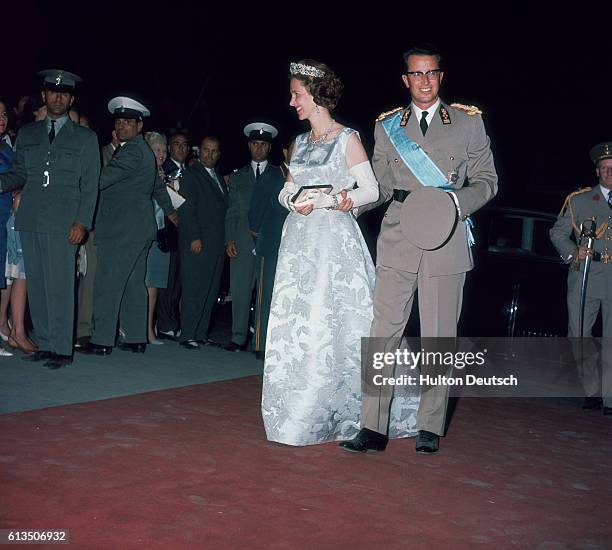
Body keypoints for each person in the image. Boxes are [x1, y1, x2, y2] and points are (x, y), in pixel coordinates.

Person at [340, 44, 498, 454]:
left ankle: (429, 426)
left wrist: (454, 205)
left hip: (446, 234)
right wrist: (351, 203)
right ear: (405, 79)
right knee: (382, 332)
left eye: (431, 73)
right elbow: (382, 186)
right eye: (416, 74)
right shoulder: (387, 125)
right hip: (399, 234)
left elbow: (487, 180)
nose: (424, 81)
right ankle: (372, 427)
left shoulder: (467, 123)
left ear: (441, 77)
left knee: (439, 335)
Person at [261, 60, 420, 446]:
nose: (292, 101)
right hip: (299, 242)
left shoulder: (347, 137)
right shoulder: (298, 143)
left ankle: (360, 410)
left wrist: (339, 199)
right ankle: (300, 410)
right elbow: (287, 189)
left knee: (342, 322)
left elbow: (370, 189)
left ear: (316, 95)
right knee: (301, 323)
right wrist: (291, 200)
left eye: (297, 94)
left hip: (334, 240)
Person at [0, 70, 100, 369]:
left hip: (63, 222)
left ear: (71, 99)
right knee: (39, 285)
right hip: (31, 218)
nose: (57, 97)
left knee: (60, 284)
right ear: (43, 96)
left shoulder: (85, 137)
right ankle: (45, 342)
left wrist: (82, 222)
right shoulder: (28, 134)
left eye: (64, 94)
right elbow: (19, 173)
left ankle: (61, 347)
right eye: (52, 92)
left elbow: (90, 184)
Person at [78, 97, 176, 356]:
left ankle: (101, 341)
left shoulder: (131, 150)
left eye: (128, 122)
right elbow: (156, 185)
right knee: (134, 285)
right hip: (138, 229)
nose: (121, 126)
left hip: (121, 230)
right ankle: (135, 338)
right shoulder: (141, 150)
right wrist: (171, 212)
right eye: (119, 121)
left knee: (107, 283)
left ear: (139, 125)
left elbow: (100, 180)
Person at [549, 142, 612, 418]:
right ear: (597, 171)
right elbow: (557, 233)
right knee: (579, 337)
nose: (610, 173)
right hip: (584, 275)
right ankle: (591, 391)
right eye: (605, 169)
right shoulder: (579, 200)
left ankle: (610, 398)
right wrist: (573, 251)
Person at [224, 122, 282, 353]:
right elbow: (232, 211)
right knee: (239, 291)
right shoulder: (238, 176)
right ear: (249, 146)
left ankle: (262, 341)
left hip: (268, 240)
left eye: (263, 145)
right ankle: (238, 337)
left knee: (265, 292)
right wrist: (229, 240)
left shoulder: (279, 175)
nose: (258, 149)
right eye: (255, 144)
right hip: (241, 240)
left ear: (269, 148)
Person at [177, 136, 227, 349]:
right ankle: (187, 333)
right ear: (199, 152)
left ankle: (200, 333)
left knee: (210, 290)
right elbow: (186, 210)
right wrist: (194, 237)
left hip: (216, 243)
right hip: (198, 241)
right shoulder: (191, 175)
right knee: (193, 288)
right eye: (206, 150)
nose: (210, 154)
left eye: (214, 151)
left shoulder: (217, 176)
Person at [244, 124, 288, 360]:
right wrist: (258, 237)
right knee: (265, 296)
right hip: (269, 246)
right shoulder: (272, 176)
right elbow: (255, 213)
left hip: (289, 249)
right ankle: (260, 343)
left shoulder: (298, 178)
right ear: (285, 153)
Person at [156, 131, 189, 341]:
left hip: (184, 233)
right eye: (176, 144)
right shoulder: (162, 169)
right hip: (167, 230)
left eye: (185, 145)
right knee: (165, 280)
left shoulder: (191, 171)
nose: (181, 148)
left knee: (178, 280)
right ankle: (165, 323)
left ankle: (172, 320)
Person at [144, 131, 172, 345]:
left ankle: (148, 327)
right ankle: (145, 330)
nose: (162, 154)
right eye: (157, 150)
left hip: (161, 234)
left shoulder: (164, 174)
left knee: (154, 284)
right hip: (146, 233)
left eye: (164, 150)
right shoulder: (144, 173)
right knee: (147, 284)